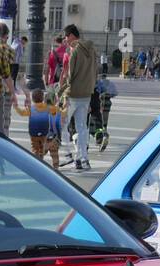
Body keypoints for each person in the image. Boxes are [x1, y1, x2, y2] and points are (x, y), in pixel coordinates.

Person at [63, 24, 98, 170]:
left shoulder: (75, 51)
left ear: (71, 36)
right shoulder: (92, 49)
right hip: (86, 94)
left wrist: (64, 90)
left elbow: (70, 75)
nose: (65, 40)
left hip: (73, 94)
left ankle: (68, 154)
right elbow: (95, 71)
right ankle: (83, 158)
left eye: (66, 36)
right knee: (82, 127)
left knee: (62, 125)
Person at [19, 86, 61, 166]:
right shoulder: (54, 110)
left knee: (37, 150)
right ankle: (56, 167)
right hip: (53, 136)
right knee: (54, 153)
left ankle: (38, 164)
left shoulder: (41, 109)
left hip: (42, 134)